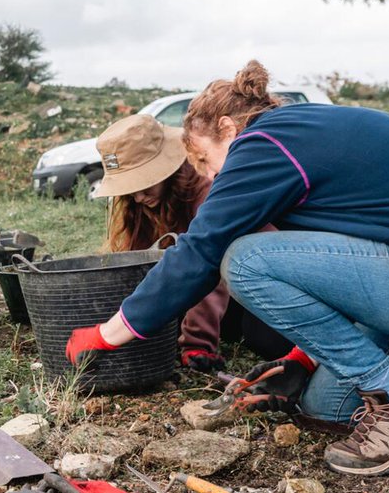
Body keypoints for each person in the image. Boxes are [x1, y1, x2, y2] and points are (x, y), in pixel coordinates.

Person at [66, 61, 389, 476]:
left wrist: (108, 333)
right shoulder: (303, 136)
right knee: (328, 404)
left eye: (206, 159)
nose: (211, 175)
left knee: (242, 259)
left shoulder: (264, 143)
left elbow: (200, 251)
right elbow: (356, 265)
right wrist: (301, 358)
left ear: (229, 128)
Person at [94, 114, 293, 370]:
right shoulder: (142, 202)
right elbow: (142, 265)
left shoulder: (207, 187)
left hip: (264, 279)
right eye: (132, 189)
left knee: (266, 339)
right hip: (219, 291)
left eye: (145, 184)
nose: (139, 196)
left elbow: (205, 264)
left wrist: (197, 341)